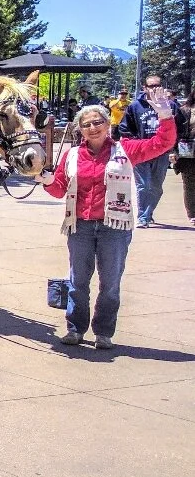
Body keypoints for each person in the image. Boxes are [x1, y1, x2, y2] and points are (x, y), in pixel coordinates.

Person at [39, 94, 174, 348]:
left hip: (114, 227)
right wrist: (45, 179)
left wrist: (165, 116)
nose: (93, 127)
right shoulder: (72, 155)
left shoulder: (126, 150)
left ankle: (103, 332)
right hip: (80, 225)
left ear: (107, 123)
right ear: (80, 129)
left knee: (110, 283)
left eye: (98, 122)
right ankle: (75, 329)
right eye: (87, 124)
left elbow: (163, 142)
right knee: (78, 281)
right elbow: (59, 189)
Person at [118, 74, 178, 226]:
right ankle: (143, 217)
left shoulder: (170, 105)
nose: (154, 88)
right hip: (142, 152)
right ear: (144, 88)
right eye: (151, 86)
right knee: (143, 185)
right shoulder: (134, 106)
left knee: (156, 187)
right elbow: (125, 128)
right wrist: (135, 145)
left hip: (162, 152)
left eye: (157, 85)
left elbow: (179, 129)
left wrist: (174, 149)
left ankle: (148, 212)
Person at [175, 91, 195, 227]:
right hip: (188, 153)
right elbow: (175, 133)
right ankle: (192, 214)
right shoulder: (184, 110)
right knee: (189, 185)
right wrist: (173, 151)